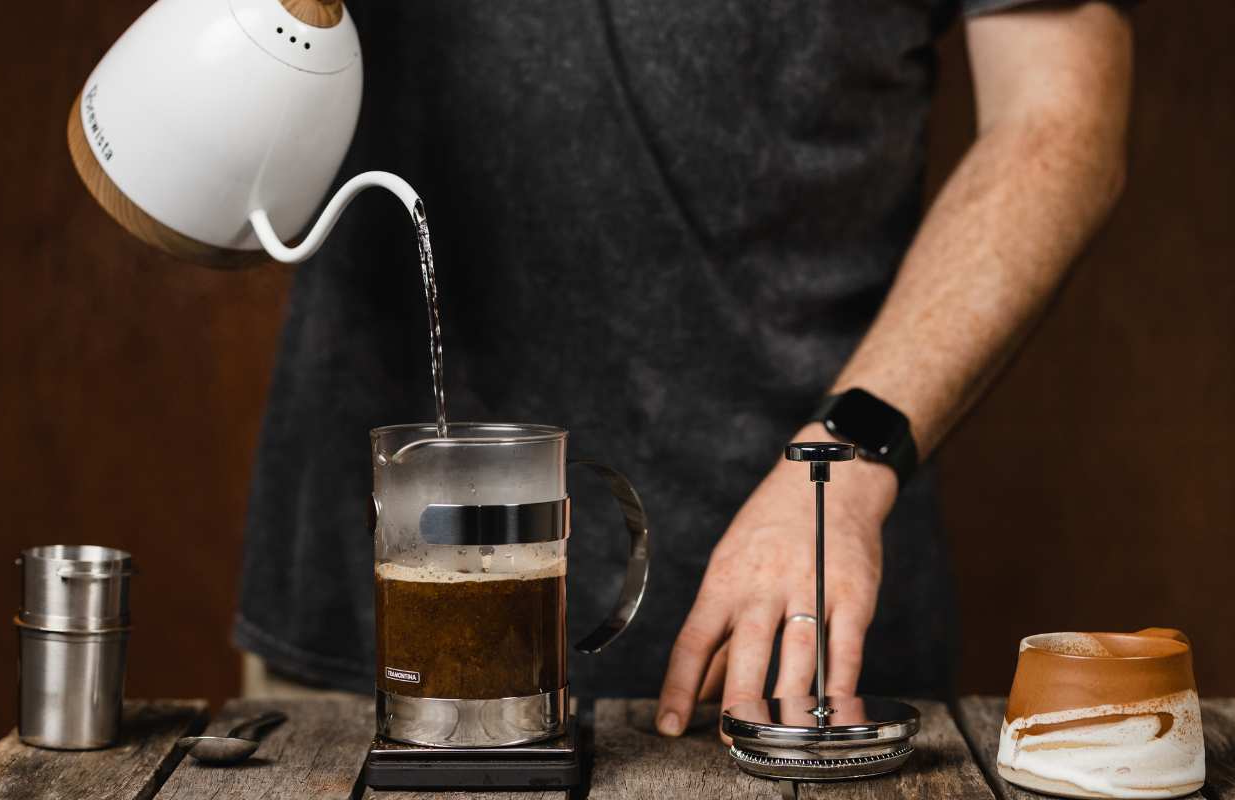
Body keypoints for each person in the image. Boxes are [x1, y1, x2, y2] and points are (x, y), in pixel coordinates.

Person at [231, 0, 1136, 739]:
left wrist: (846, 461)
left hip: (793, 623)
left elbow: (1057, 121)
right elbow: (161, 170)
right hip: (377, 616)